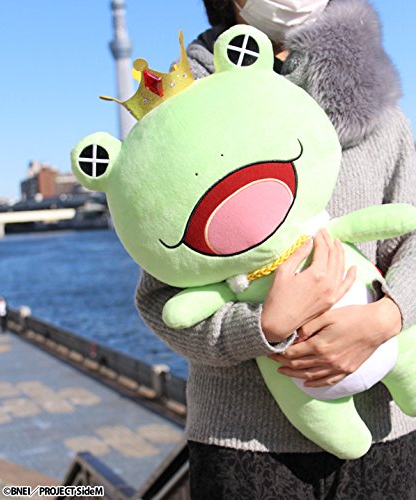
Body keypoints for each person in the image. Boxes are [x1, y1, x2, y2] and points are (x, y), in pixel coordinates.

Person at [136, 0, 416, 497]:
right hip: (244, 443)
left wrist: (387, 316)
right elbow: (161, 299)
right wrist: (261, 326)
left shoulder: (381, 115)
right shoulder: (180, 120)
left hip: (386, 432)